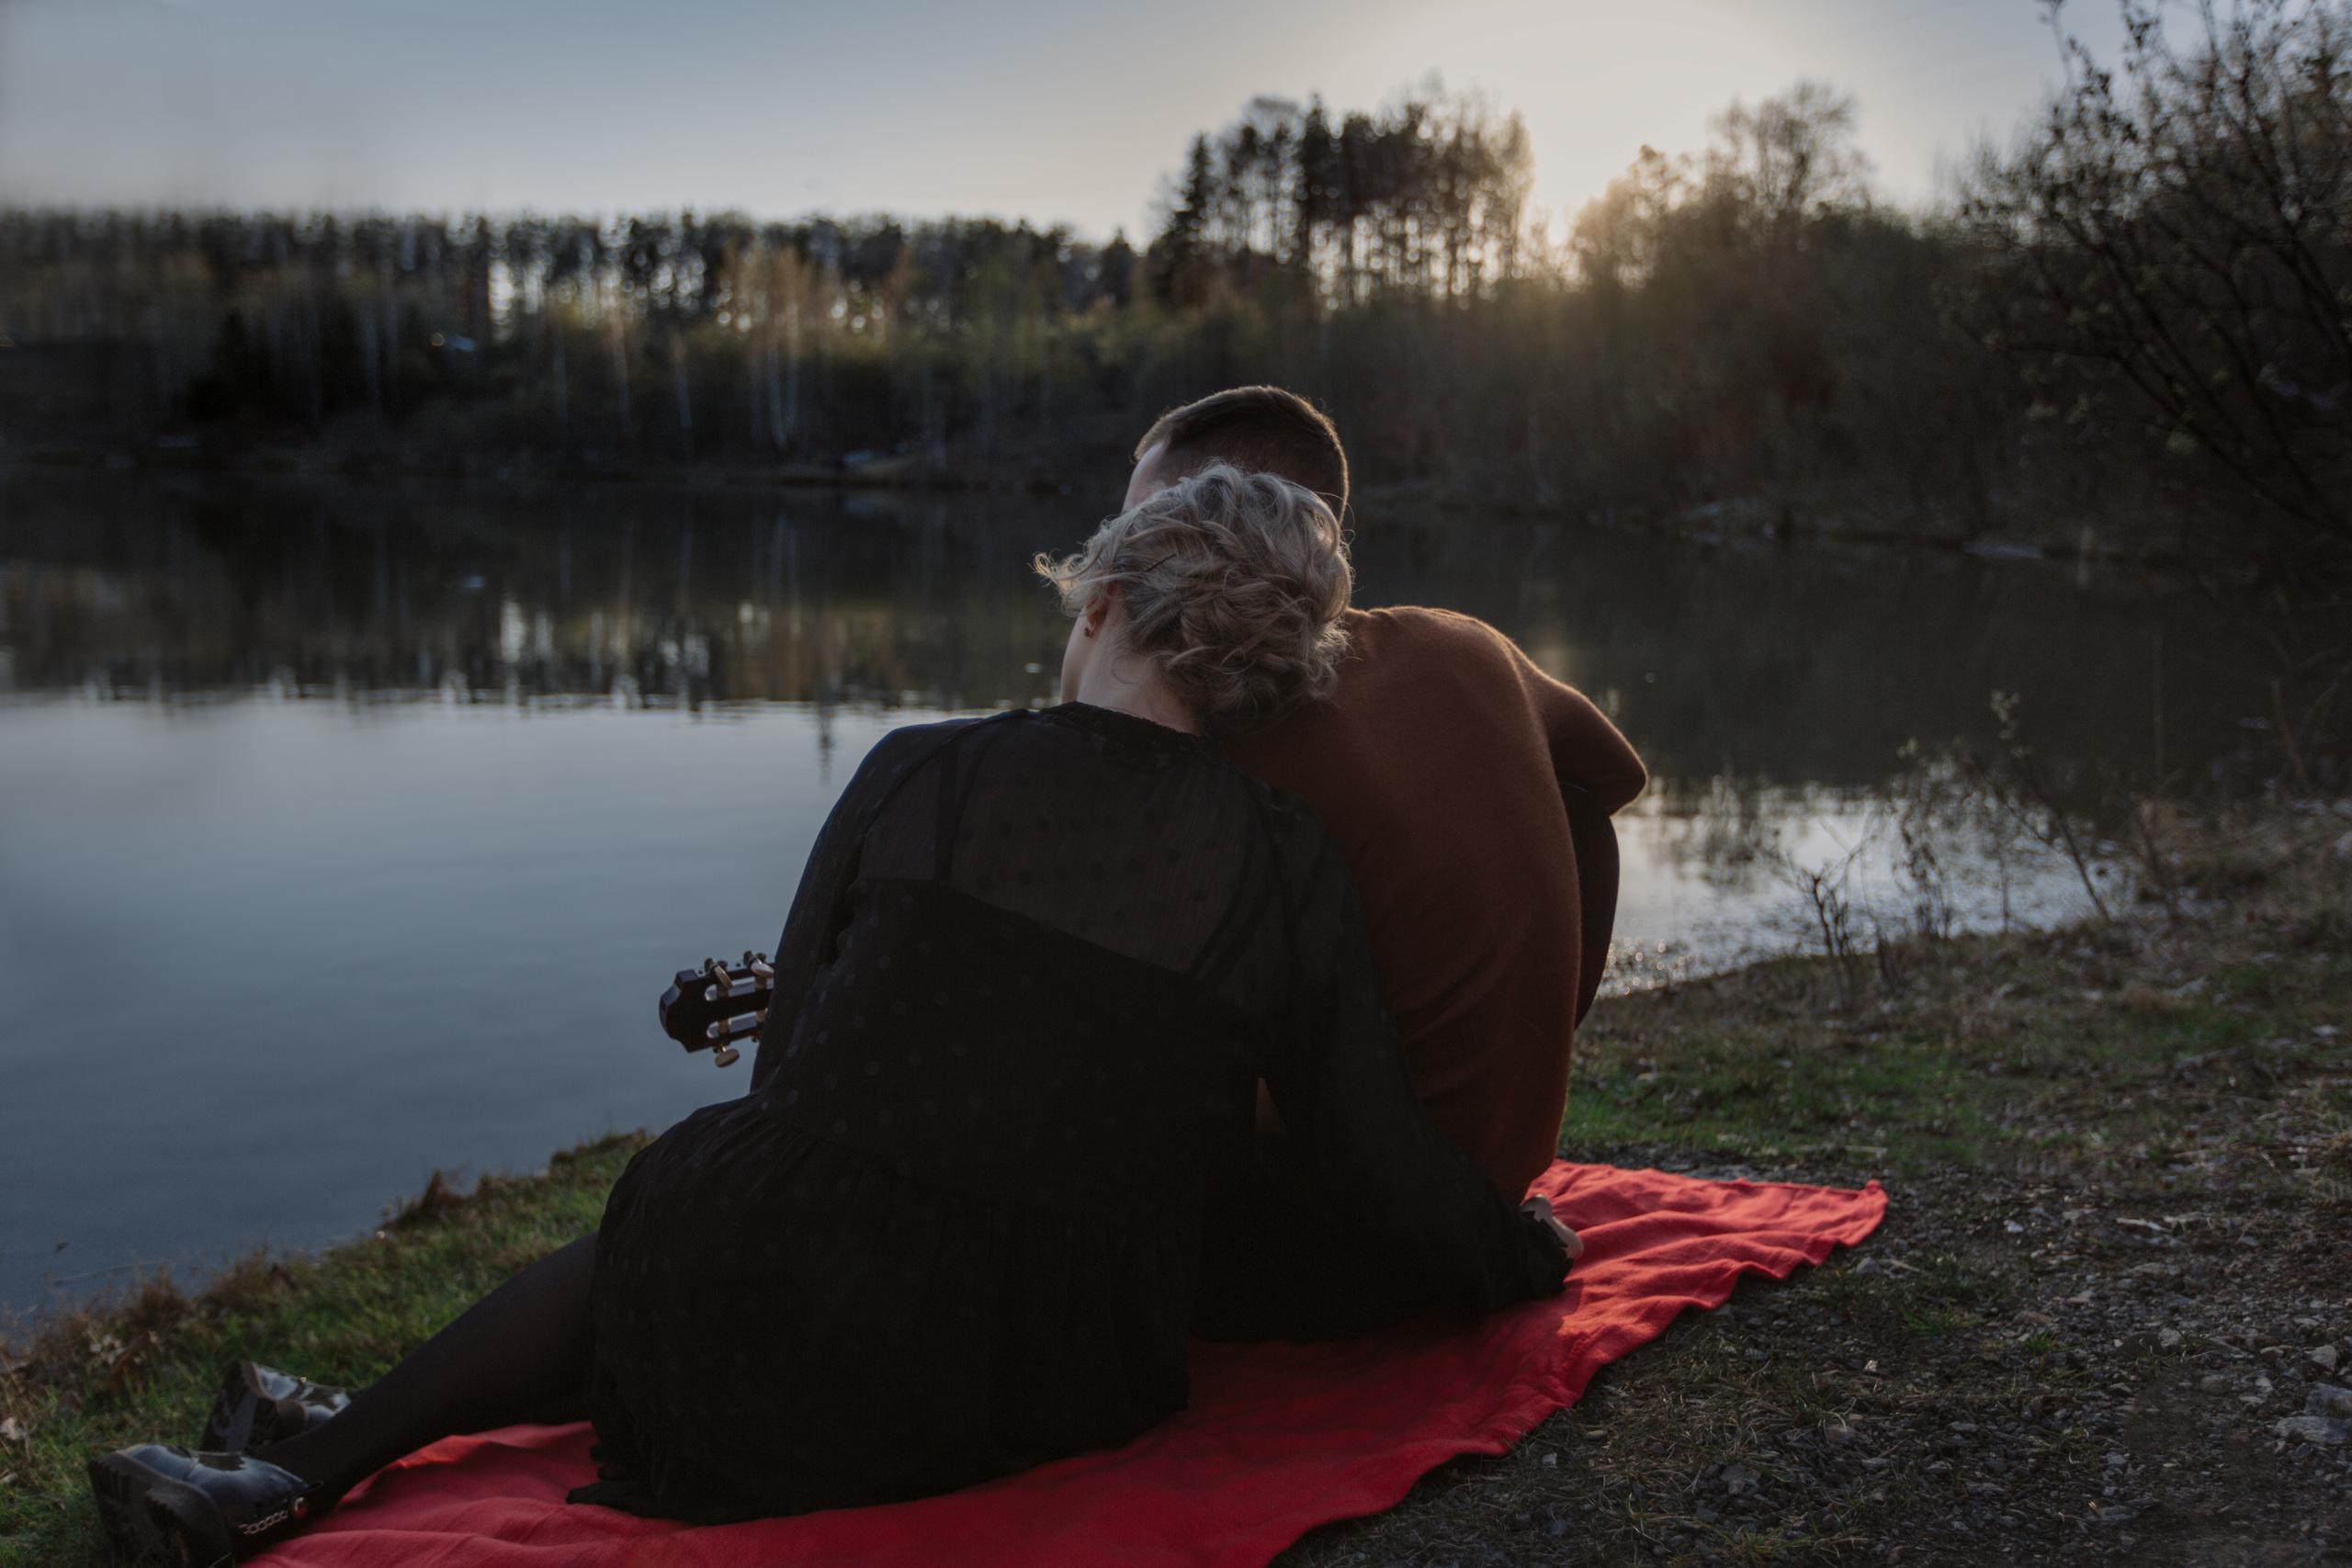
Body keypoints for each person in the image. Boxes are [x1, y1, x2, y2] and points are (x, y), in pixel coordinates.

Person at [86, 466, 1575, 1563]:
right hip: (1060, 1370)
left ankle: (287, 1476)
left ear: (1109, 603)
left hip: (777, 1316)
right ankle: (306, 1436)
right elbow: (1375, 1148)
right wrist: (1514, 1251)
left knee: (698, 1208)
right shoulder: (1291, 860)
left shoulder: (923, 769)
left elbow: (787, 1082)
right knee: (841, 1249)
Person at [1114, 389, 1647, 1340]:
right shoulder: (1465, 644)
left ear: (1221, 519)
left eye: (1138, 517)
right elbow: (1600, 789)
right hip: (1488, 1184)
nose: (1112, 545)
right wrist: (1545, 1019)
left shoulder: (1217, 738)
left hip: (1334, 1242)